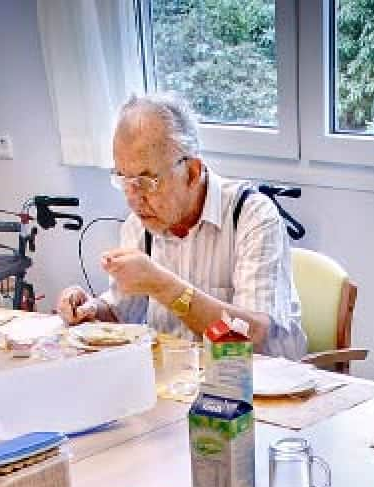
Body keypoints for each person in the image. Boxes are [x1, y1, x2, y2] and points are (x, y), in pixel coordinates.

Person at [54, 93, 306, 360]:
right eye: (124, 179)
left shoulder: (252, 216)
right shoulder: (139, 225)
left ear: (193, 172)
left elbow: (253, 335)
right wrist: (91, 309)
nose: (133, 197)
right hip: (179, 382)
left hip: (262, 385)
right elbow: (122, 312)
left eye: (147, 181)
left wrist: (164, 286)